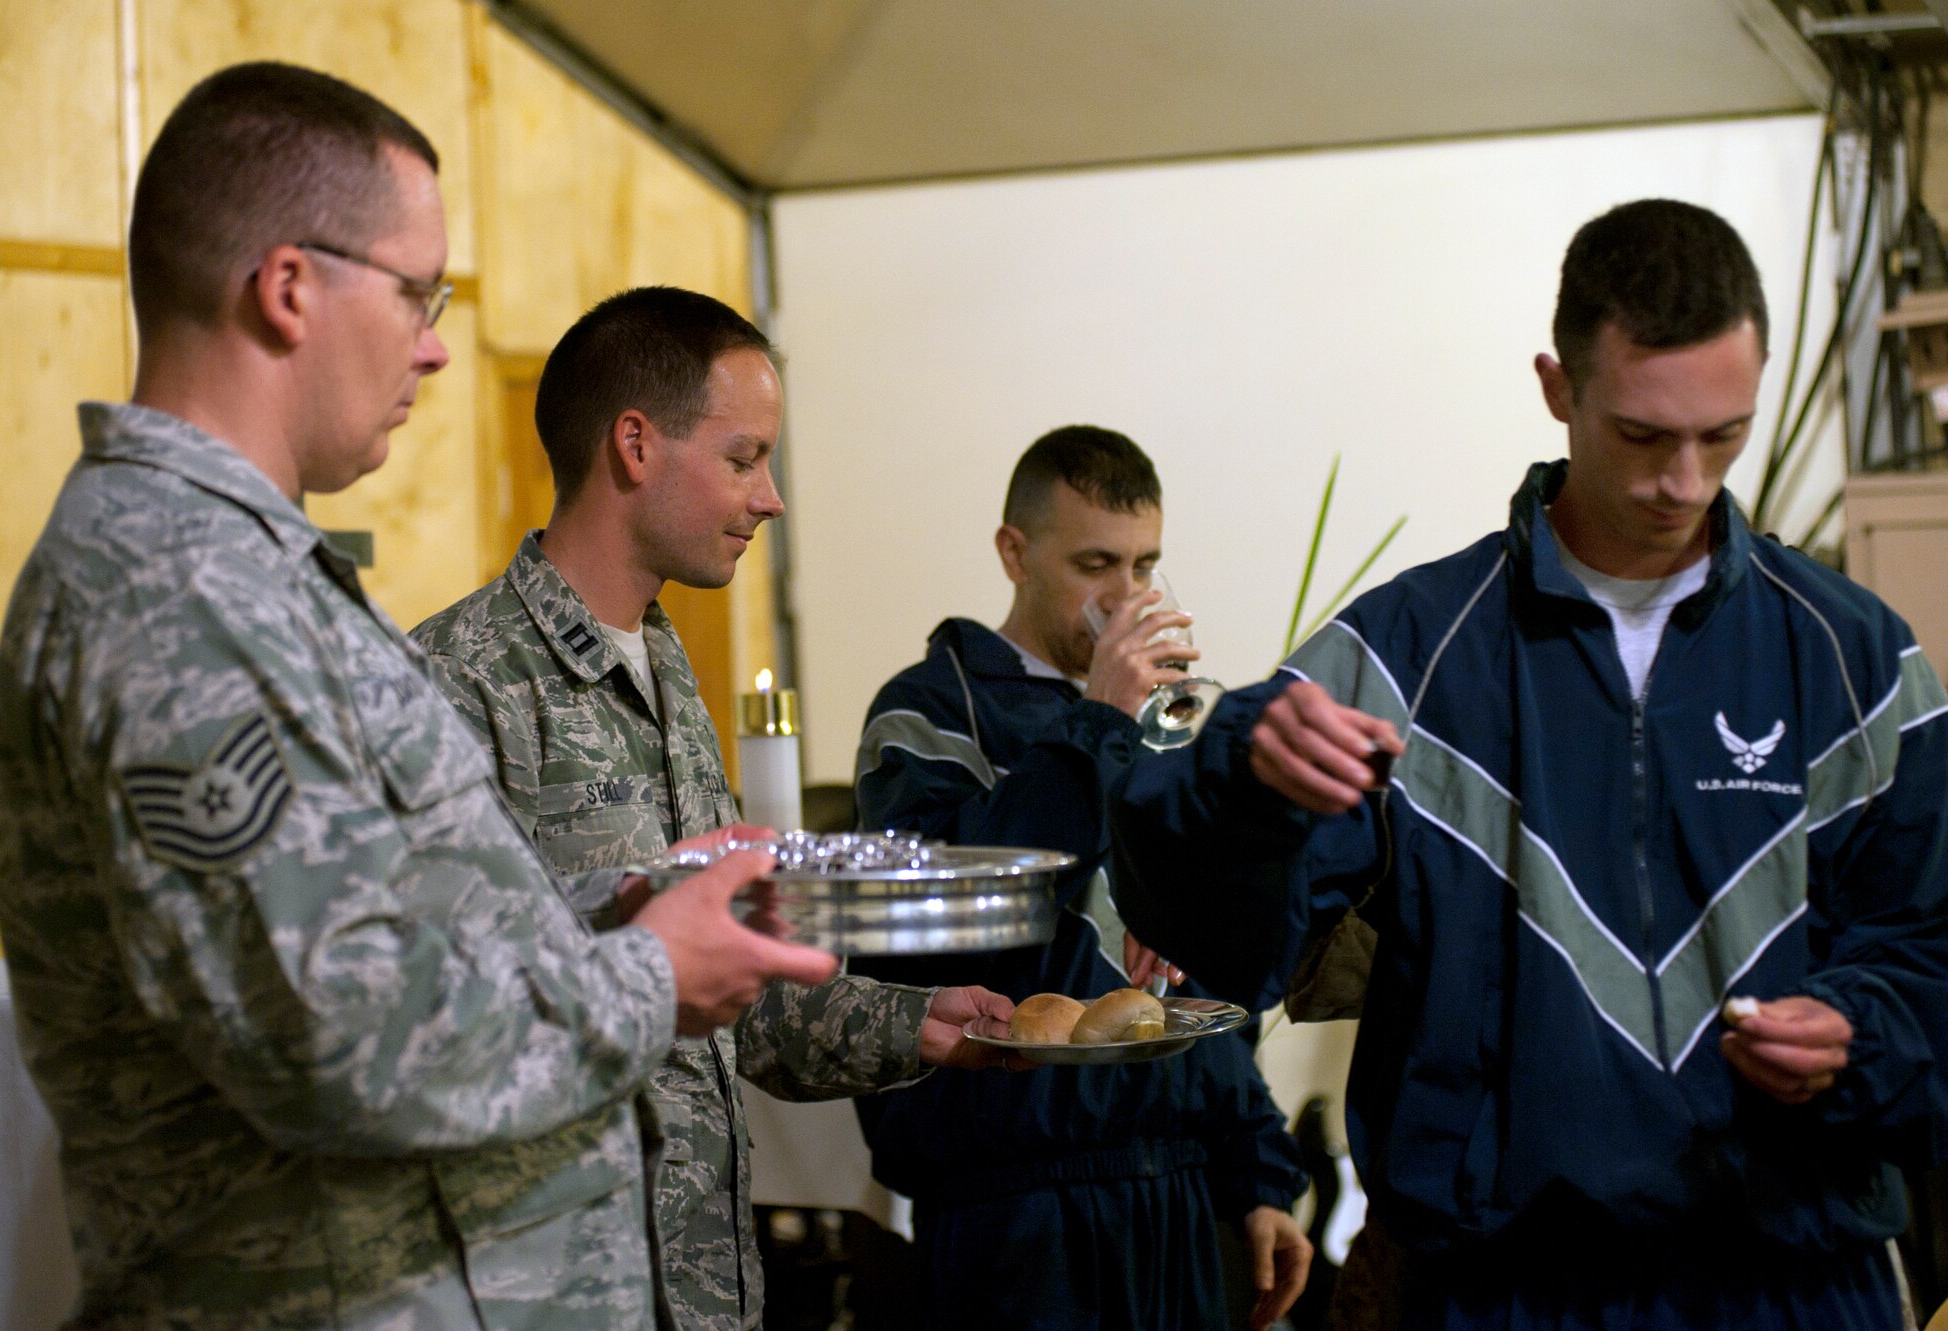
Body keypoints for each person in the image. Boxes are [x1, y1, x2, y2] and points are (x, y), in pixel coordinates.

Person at [0, 63, 836, 1331]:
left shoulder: (246, 574)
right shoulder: (173, 593)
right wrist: (651, 974)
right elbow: (337, 1041)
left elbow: (387, 927)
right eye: (415, 292)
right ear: (288, 288)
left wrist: (621, 906)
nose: (437, 342)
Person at [1114, 199, 1948, 1329]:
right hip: (1506, 1289)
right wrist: (1242, 785)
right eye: (1641, 435)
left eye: (1725, 435)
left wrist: (1863, 1033)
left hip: (1794, 1281)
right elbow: (1210, 947)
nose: (1684, 480)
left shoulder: (1852, 660)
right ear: (1557, 388)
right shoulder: (1408, 655)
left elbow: (1929, 952)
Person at [413, 285, 1017, 1331]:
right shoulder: (455, 683)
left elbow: (729, 989)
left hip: (699, 1290)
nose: (770, 496)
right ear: (636, 445)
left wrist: (911, 1022)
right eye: (743, 457)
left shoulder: (666, 670)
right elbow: (438, 1022)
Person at [849, 425, 1312, 1331]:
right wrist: (1099, 718)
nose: (1128, 596)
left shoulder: (1162, 722)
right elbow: (956, 921)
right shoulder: (928, 713)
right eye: (1097, 563)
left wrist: (1258, 1176)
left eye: (1146, 566)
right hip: (1014, 1207)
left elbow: (1198, 975)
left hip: (1176, 1191)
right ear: (1014, 552)